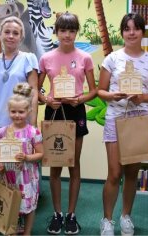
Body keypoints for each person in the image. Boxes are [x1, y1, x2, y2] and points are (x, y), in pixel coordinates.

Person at [97, 13, 148, 236]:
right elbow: (101, 90)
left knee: (132, 173)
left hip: (138, 120)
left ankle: (126, 216)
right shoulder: (112, 58)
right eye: (127, 28)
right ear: (122, 32)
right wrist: (112, 95)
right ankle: (107, 220)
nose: (131, 32)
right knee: (114, 173)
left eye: (136, 28)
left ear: (143, 32)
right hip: (115, 119)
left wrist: (142, 97)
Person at [38, 12, 97, 235]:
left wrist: (80, 99)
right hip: (54, 111)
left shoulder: (85, 57)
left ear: (76, 32)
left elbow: (93, 91)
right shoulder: (46, 58)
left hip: (76, 110)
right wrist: (46, 99)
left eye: (72, 30)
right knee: (55, 165)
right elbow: (37, 88)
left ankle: (71, 215)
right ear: (57, 32)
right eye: (63, 30)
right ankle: (57, 214)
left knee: (74, 165)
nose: (67, 35)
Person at [0, 82, 43, 235]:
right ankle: (12, 230)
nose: (17, 115)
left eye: (21, 112)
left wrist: (28, 157)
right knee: (11, 203)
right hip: (9, 176)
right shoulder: (2, 132)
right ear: (8, 111)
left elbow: (41, 153)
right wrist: (0, 164)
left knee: (28, 205)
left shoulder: (33, 132)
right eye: (13, 111)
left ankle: (27, 232)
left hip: (27, 176)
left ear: (28, 111)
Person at [0, 16, 39, 144]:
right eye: (7, 32)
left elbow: (33, 94)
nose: (11, 36)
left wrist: (33, 125)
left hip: (23, 124)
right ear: (0, 34)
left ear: (21, 37)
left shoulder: (28, 59)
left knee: (25, 163)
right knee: (2, 164)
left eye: (15, 33)